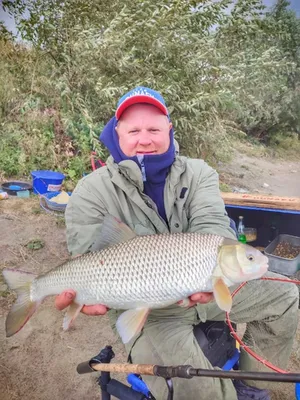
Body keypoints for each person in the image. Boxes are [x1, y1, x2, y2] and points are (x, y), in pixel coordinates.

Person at [55, 87, 298, 400]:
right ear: (117, 133)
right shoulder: (90, 191)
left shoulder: (199, 173)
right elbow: (88, 257)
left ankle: (253, 388)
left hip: (205, 287)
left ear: (169, 130)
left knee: (286, 295)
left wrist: (219, 278)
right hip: (145, 305)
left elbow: (212, 226)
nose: (145, 138)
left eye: (154, 129)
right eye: (134, 130)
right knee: (199, 390)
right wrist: (81, 296)